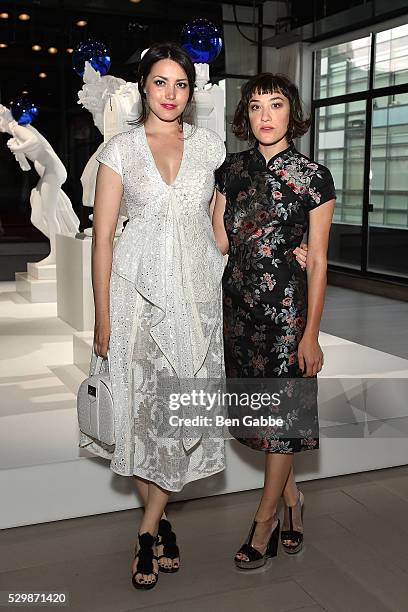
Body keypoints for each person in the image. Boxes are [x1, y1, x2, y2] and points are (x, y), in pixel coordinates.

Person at [79, 42, 228, 590]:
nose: (170, 94)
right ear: (143, 86)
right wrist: (102, 314)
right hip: (135, 300)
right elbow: (102, 242)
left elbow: (221, 223)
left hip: (195, 300)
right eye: (161, 82)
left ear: (191, 93)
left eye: (181, 84)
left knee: (180, 413)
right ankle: (155, 529)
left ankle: (148, 525)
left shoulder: (211, 148)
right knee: (144, 419)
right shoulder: (119, 151)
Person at [212, 73, 335, 569]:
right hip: (238, 310)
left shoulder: (313, 176)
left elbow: (321, 260)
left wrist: (311, 334)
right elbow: (221, 242)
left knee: (282, 420)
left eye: (277, 104)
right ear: (245, 116)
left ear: (292, 113)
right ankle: (293, 501)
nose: (266, 115)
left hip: (287, 311)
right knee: (260, 416)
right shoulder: (230, 170)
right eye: (256, 106)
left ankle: (264, 521)